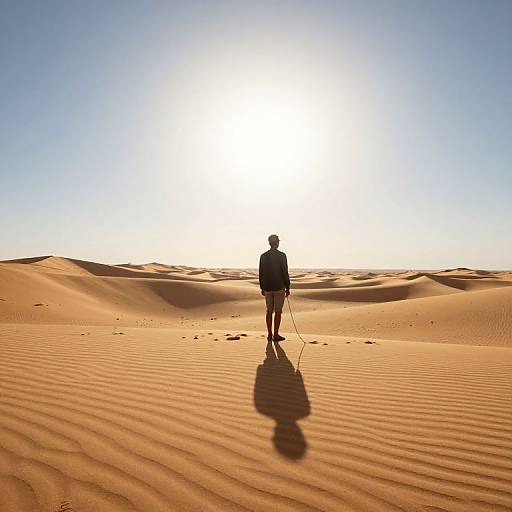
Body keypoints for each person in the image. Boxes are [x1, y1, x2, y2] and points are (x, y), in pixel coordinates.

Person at [259, 234, 290, 342]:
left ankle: (269, 334)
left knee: (269, 311)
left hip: (267, 288)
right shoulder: (282, 255)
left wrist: (262, 287)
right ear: (276, 243)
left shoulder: (263, 256)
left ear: (269, 243)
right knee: (277, 311)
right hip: (278, 287)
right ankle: (275, 334)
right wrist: (288, 287)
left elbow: (261, 273)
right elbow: (284, 272)